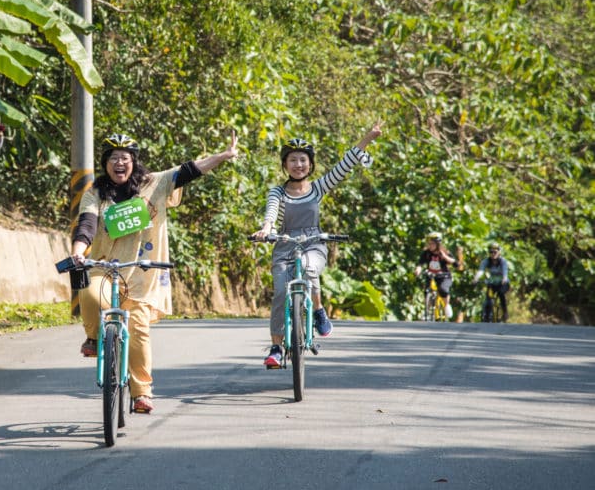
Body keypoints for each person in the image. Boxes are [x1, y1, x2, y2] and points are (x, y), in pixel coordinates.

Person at [70, 131, 238, 413]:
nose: (119, 163)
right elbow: (86, 225)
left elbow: (190, 170)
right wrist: (77, 251)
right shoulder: (95, 193)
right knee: (87, 292)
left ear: (134, 162)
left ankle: (141, 394)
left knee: (138, 332)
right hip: (105, 266)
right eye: (113, 158)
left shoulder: (154, 184)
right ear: (105, 163)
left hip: (142, 274)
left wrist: (223, 156)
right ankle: (95, 337)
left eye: (125, 158)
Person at [252, 121, 382, 368]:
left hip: (314, 242)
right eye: (292, 160)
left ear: (310, 164)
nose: (298, 164)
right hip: (284, 242)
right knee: (280, 292)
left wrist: (369, 137)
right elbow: (270, 213)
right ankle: (276, 348)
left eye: (303, 160)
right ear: (284, 165)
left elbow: (346, 164)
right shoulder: (277, 192)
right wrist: (266, 229)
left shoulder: (318, 187)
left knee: (310, 269)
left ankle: (319, 310)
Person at [414, 231, 458, 318]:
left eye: (432, 244)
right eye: (428, 243)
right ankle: (427, 310)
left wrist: (445, 257)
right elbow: (420, 263)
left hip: (443, 276)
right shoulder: (426, 253)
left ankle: (446, 305)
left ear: (438, 244)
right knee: (427, 291)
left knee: (443, 290)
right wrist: (418, 269)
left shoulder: (444, 252)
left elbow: (455, 263)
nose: (430, 246)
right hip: (431, 275)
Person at [472, 242, 510, 321]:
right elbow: (481, 271)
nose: (493, 254)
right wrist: (476, 278)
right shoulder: (486, 261)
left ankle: (505, 312)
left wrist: (504, 278)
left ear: (499, 252)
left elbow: (505, 272)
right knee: (488, 297)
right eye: (491, 252)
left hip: (503, 283)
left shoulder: (502, 261)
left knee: (501, 294)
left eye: (495, 252)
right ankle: (487, 314)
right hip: (492, 283)